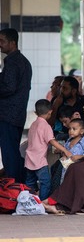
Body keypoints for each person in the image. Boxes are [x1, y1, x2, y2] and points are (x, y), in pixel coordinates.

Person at [0, 28, 32, 183]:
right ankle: (18, 187)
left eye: (2, 41)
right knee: (12, 151)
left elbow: (8, 87)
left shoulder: (13, 62)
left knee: (9, 153)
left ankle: (13, 189)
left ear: (12, 43)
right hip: (17, 114)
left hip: (8, 115)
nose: (0, 45)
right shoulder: (22, 61)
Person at [25, 99, 72, 200]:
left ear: (35, 112)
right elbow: (52, 141)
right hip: (40, 161)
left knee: (30, 183)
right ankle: (42, 203)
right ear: (50, 112)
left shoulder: (33, 124)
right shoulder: (45, 126)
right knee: (45, 183)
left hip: (29, 159)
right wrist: (65, 150)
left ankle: (30, 202)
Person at [59, 118, 84, 184]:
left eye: (74, 129)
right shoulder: (69, 140)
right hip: (66, 169)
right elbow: (64, 150)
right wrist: (63, 154)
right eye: (69, 129)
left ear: (82, 131)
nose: (71, 131)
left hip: (77, 171)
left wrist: (80, 156)